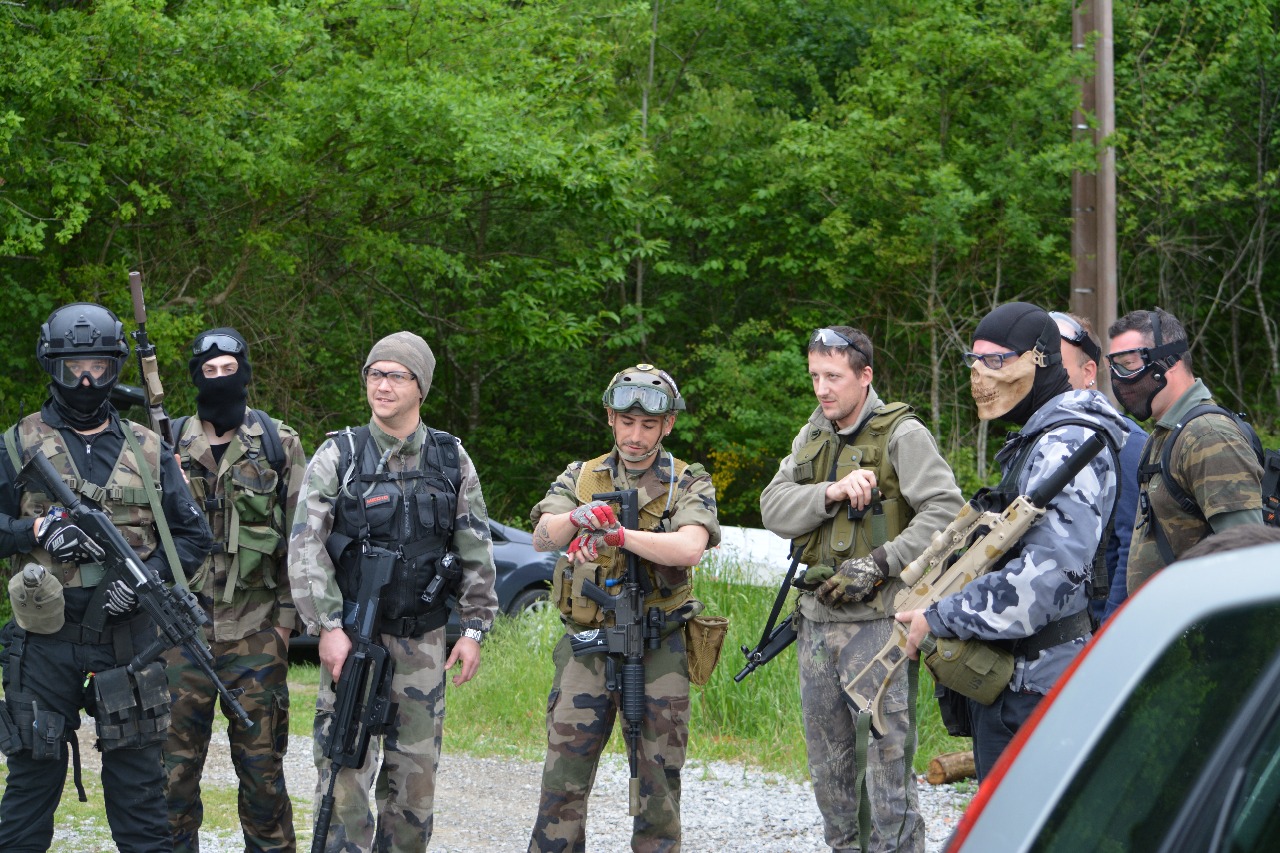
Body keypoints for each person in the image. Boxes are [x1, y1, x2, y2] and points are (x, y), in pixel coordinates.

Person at [0, 302, 212, 852]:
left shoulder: (149, 448)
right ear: (52, 367)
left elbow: (194, 538)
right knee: (30, 784)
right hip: (43, 641)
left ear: (115, 368)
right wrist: (34, 530)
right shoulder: (17, 444)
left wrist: (145, 579)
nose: (87, 380)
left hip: (128, 642)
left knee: (141, 795)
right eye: (75, 368)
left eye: (98, 366)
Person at [896, 302, 1124, 781]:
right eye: (974, 359)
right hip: (1018, 681)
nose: (981, 374)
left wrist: (941, 616)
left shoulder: (1067, 444)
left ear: (1040, 360)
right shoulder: (1043, 438)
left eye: (997, 360)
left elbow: (1045, 582)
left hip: (1038, 689)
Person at [288, 330, 498, 853]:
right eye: (374, 374)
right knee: (343, 781)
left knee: (414, 790)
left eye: (396, 376)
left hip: (423, 645)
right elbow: (306, 544)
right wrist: (327, 627)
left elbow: (474, 544)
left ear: (420, 387)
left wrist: (473, 629)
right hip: (354, 640)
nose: (382, 386)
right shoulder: (340, 454)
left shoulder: (450, 458)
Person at [758, 326, 964, 852]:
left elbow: (947, 511)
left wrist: (880, 562)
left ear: (864, 375)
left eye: (833, 376)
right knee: (830, 772)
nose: (821, 389)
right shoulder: (813, 435)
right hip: (816, 622)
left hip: (880, 627)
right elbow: (773, 508)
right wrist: (828, 492)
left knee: (887, 773)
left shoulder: (902, 434)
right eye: (814, 376)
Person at [527, 364, 720, 853]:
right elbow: (542, 536)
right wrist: (577, 517)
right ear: (610, 418)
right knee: (562, 782)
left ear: (667, 425)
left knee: (657, 788)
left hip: (658, 647)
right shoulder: (582, 475)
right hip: (588, 647)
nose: (636, 436)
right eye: (627, 422)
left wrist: (619, 536)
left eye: (649, 425)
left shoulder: (686, 482)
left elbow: (689, 548)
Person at [164, 328, 307, 853]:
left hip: (256, 633)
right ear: (196, 377)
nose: (220, 379)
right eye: (210, 371)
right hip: (179, 636)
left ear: (245, 372)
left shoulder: (278, 443)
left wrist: (285, 625)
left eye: (229, 369)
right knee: (170, 779)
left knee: (263, 775)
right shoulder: (165, 444)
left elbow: (300, 539)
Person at [1107, 308, 1265, 595]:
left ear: (1171, 361)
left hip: (1202, 622)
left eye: (1128, 364)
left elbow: (1248, 561)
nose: (1119, 378)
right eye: (1114, 367)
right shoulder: (1167, 433)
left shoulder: (1207, 435)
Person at [1050, 311, 1146, 621]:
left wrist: (1108, 637)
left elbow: (1134, 550)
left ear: (1088, 371)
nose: (1042, 375)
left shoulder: (1124, 443)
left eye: (1055, 364)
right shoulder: (1038, 444)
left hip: (1095, 630)